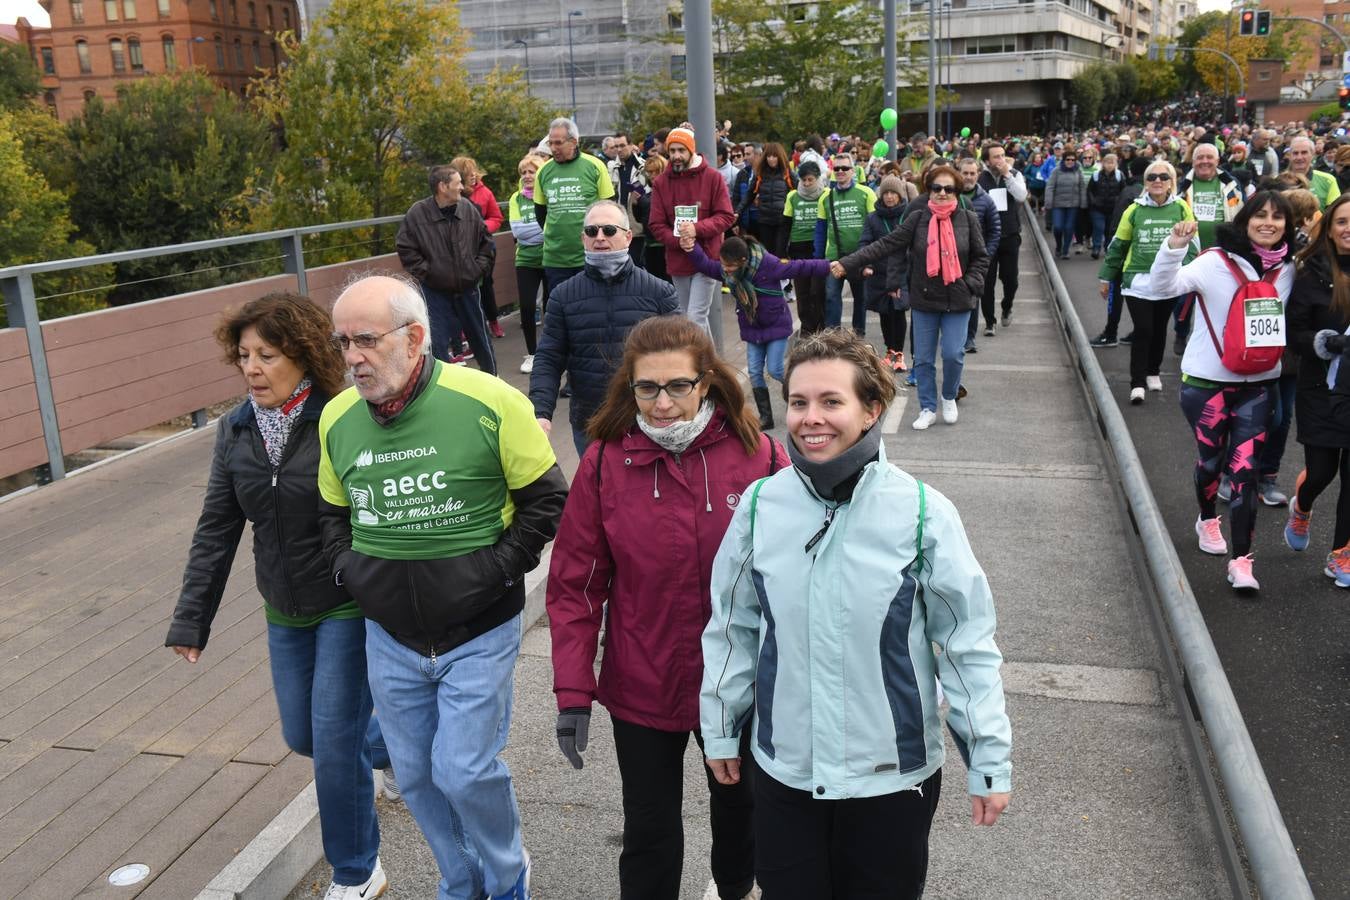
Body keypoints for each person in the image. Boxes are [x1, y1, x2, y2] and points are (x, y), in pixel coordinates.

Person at [700, 328, 1012, 899]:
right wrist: (721, 730)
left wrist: (987, 756)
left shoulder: (923, 513)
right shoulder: (758, 507)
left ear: (871, 410)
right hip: (785, 771)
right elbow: (732, 629)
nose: (809, 418)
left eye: (830, 401)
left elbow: (967, 646)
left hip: (892, 783)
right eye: (798, 402)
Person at [319, 274, 568, 900]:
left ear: (416, 337)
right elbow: (330, 512)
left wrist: (493, 570)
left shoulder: (487, 399)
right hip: (390, 635)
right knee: (417, 777)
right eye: (342, 341)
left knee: (462, 769)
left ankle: (507, 876)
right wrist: (352, 572)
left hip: (478, 629)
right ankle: (462, 883)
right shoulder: (337, 417)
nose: (352, 357)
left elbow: (546, 501)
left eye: (367, 340)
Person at [547, 316, 787, 900]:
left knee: (740, 807)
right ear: (629, 388)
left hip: (736, 681)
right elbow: (576, 584)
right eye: (646, 388)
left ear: (706, 382)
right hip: (642, 679)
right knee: (650, 827)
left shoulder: (758, 456)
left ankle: (733, 887)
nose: (661, 403)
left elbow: (797, 576)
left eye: (677, 385)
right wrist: (574, 691)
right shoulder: (605, 463)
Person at [167, 293, 391, 900]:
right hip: (283, 606)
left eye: (267, 354)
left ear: (303, 355)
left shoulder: (343, 418)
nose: (252, 368)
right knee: (305, 735)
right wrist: (193, 619)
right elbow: (217, 526)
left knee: (333, 743)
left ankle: (357, 870)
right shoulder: (236, 429)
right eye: (243, 355)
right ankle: (396, 743)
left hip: (345, 601)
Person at [1148, 190, 1298, 592]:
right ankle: (1206, 517)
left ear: (1288, 225)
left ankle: (1242, 561)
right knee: (1211, 463)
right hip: (1207, 385)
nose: (1269, 223)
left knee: (1246, 471)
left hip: (1259, 386)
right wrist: (1173, 246)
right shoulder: (1214, 262)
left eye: (1278, 217)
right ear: (1245, 220)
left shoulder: (1289, 269)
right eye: (1260, 215)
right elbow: (1163, 287)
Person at [833, 163, 989, 430]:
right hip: (925, 298)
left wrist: (970, 284)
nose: (941, 193)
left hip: (959, 299)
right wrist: (848, 262)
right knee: (924, 359)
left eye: (948, 189)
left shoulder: (968, 219)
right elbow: (885, 244)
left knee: (953, 354)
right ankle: (927, 407)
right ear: (929, 190)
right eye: (936, 188)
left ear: (956, 191)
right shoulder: (918, 218)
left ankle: (949, 396)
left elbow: (981, 258)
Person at [530, 200, 680, 458]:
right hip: (590, 422)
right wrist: (541, 413)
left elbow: (683, 355)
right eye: (592, 231)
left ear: (628, 237)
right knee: (599, 494)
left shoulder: (659, 292)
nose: (599, 237)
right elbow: (549, 357)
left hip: (649, 419)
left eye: (609, 230)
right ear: (583, 238)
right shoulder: (563, 296)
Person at [684, 232, 830, 429]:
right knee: (754, 372)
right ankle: (766, 418)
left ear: (743, 261)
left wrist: (830, 266)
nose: (725, 270)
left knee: (776, 369)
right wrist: (691, 248)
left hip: (776, 325)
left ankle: (803, 399)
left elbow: (801, 266)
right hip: (752, 328)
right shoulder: (729, 271)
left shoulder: (769, 264)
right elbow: (707, 266)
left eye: (730, 266)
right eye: (724, 265)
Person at [1286, 193, 1350, 585]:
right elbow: (1293, 333)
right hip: (1320, 387)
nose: (1349, 230)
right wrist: (1325, 342)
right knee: (1323, 472)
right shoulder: (1310, 271)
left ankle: (1341, 554)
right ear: (1328, 227)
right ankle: (1303, 504)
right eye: (1342, 221)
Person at [1097, 159, 1195, 404]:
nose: (1157, 181)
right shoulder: (1134, 209)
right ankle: (1137, 382)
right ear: (1145, 182)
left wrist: (1186, 272)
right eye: (1152, 177)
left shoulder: (1182, 207)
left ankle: (1153, 371)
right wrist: (1106, 277)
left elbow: (1192, 245)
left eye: (1163, 177)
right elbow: (1118, 246)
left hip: (1168, 282)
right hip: (1137, 281)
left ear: (1171, 182)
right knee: (1144, 329)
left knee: (1160, 329)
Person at [395, 164, 497, 375]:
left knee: (480, 337)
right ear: (443, 186)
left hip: (468, 287)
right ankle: (439, 387)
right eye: (458, 182)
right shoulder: (417, 214)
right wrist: (429, 274)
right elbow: (405, 248)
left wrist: (477, 269)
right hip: (434, 291)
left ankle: (494, 379)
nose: (463, 187)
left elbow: (486, 242)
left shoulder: (468, 208)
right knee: (436, 342)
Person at [647, 126, 738, 344]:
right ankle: (711, 365)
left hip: (707, 259)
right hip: (678, 259)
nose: (676, 156)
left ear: (692, 151)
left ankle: (698, 367)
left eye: (681, 150)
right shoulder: (661, 183)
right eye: (673, 150)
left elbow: (726, 216)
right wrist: (678, 240)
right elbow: (656, 224)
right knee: (688, 316)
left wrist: (696, 229)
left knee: (695, 318)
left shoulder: (713, 178)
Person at [536, 116, 617, 290]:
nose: (553, 148)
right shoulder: (543, 170)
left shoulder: (595, 165)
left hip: (591, 255)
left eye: (558, 143)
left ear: (573, 142)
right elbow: (540, 213)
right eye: (550, 143)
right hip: (556, 258)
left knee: (592, 307)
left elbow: (610, 210)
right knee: (562, 309)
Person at [816, 152, 878, 334]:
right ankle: (833, 337)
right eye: (837, 168)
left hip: (859, 257)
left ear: (853, 170)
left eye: (845, 168)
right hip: (834, 258)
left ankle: (858, 337)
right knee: (831, 297)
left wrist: (871, 259)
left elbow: (875, 229)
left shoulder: (866, 193)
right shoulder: (825, 197)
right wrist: (818, 260)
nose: (841, 171)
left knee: (861, 299)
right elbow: (820, 231)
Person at [451, 156, 507, 340]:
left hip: (483, 247)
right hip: (462, 250)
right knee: (462, 289)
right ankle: (464, 330)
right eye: (468, 172)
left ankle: (493, 322)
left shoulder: (485, 192)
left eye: (474, 170)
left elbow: (497, 217)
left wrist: (481, 228)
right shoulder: (453, 195)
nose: (473, 174)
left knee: (486, 287)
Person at [859, 174, 910, 372]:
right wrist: (866, 264)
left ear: (899, 195)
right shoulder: (873, 217)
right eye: (885, 193)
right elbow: (865, 242)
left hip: (901, 272)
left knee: (898, 312)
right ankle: (890, 351)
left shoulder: (908, 215)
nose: (889, 197)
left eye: (893, 193)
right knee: (884, 313)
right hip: (879, 273)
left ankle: (899, 353)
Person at [977, 141, 1028, 335]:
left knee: (1010, 279)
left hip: (1009, 235)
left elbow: (1021, 196)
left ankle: (1007, 306)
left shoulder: (1014, 174)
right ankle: (990, 322)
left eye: (1002, 155)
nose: (1000, 160)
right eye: (996, 157)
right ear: (987, 160)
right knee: (987, 281)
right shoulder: (981, 178)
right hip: (986, 237)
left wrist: (1007, 174)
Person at [954, 156, 1001, 352]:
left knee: (972, 297)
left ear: (978, 175)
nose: (968, 177)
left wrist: (986, 257)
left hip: (975, 260)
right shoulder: (949, 197)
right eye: (965, 173)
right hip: (952, 258)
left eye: (972, 173)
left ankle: (969, 338)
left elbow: (995, 230)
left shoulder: (987, 200)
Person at [509, 155, 548, 375]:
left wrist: (539, 230)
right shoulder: (516, 198)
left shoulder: (547, 196)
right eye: (523, 172)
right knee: (526, 306)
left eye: (531, 171)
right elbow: (518, 232)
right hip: (525, 259)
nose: (526, 176)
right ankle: (532, 354)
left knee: (551, 308)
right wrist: (540, 230)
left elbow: (552, 228)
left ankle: (552, 352)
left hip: (550, 257)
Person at [784, 160, 829, 334]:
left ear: (818, 178)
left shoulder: (826, 194)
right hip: (798, 249)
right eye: (804, 180)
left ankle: (820, 328)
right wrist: (782, 251)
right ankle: (807, 329)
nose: (807, 183)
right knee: (802, 292)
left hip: (820, 249)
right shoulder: (792, 196)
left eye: (810, 179)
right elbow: (786, 224)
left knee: (817, 291)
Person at [736, 141, 794, 259]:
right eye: (768, 156)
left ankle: (783, 277)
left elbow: (798, 192)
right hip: (764, 220)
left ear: (780, 157)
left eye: (774, 156)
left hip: (782, 221)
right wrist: (738, 211)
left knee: (780, 253)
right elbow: (749, 195)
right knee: (768, 255)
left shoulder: (787, 173)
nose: (771, 159)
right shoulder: (760, 174)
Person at [1044, 148, 1086, 259]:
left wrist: (1083, 202)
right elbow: (1050, 186)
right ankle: (1059, 245)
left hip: (1073, 205)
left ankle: (1065, 250)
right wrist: (1048, 202)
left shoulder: (1078, 171)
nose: (1070, 162)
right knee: (1057, 227)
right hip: (1058, 204)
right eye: (1068, 159)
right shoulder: (1056, 171)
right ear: (1064, 160)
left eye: (1073, 160)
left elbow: (1082, 187)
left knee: (1069, 228)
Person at [638, 153, 671, 281]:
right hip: (650, 243)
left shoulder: (668, 189)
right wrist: (637, 203)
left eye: (655, 172)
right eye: (649, 172)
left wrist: (643, 201)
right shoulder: (649, 193)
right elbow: (641, 219)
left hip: (665, 244)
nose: (652, 175)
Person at [1086, 153, 1126, 260]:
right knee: (1099, 227)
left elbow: (1123, 190)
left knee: (1109, 230)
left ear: (1115, 164)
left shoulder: (1119, 175)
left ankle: (1108, 248)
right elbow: (1090, 190)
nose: (1109, 165)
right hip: (1097, 208)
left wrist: (1119, 202)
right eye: (1107, 162)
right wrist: (1093, 202)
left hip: (1113, 208)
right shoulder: (1096, 175)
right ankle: (1096, 248)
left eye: (1112, 163)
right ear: (1103, 163)